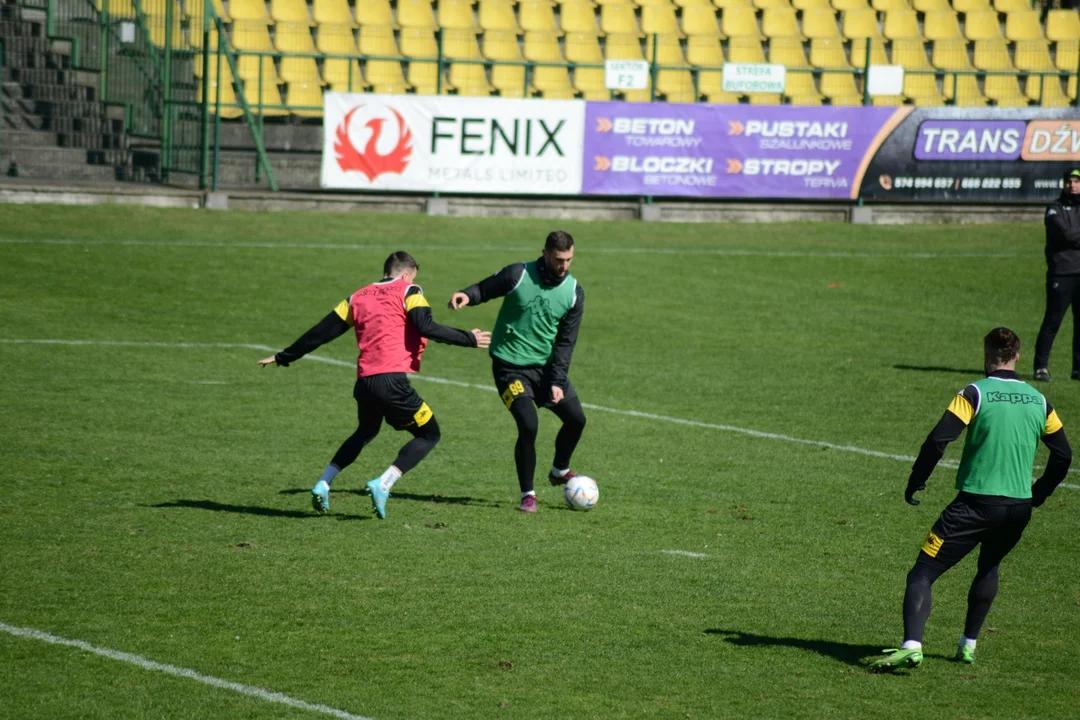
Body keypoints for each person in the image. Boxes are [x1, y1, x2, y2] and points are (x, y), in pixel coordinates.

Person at [871, 328, 1071, 671]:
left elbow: (938, 440)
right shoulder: (1040, 401)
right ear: (1018, 356)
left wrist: (917, 480)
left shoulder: (975, 393)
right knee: (989, 566)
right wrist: (1038, 493)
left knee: (923, 571)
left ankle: (912, 645)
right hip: (1018, 508)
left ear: (986, 355)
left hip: (974, 505)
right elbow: (1064, 455)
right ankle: (968, 645)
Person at [258, 251, 490, 519]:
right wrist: (468, 338)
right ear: (406, 273)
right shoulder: (410, 291)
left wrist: (283, 356)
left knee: (366, 430)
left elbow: (321, 332)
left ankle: (323, 483)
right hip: (391, 384)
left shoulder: (357, 296)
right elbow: (425, 325)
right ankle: (383, 484)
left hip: (365, 382)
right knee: (429, 435)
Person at [448, 230, 587, 513]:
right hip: (509, 368)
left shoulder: (574, 293)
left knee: (576, 420)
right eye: (559, 259)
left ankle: (560, 470)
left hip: (545, 369)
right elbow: (486, 288)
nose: (564, 266)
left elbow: (565, 343)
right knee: (528, 424)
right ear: (546, 253)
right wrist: (467, 295)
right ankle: (528, 494)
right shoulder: (518, 274)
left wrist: (558, 381)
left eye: (569, 259)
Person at [1034, 168, 1080, 382]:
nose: (1073, 185)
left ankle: (1077, 369)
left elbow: (1072, 236)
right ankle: (1040, 367)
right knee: (1053, 322)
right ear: (1063, 184)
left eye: (1077, 181)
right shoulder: (1054, 208)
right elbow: (1067, 234)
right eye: (1069, 181)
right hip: (1061, 274)